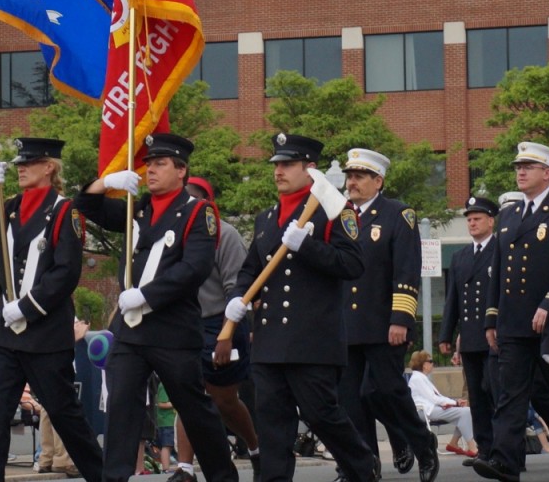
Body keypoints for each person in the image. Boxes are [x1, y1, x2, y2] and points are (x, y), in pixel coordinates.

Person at [74, 132, 236, 482]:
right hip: (131, 331)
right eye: (148, 164)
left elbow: (194, 267)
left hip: (171, 329)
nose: (150, 171)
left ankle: (223, 475)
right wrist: (105, 182)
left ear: (181, 171)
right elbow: (85, 206)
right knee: (121, 407)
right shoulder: (138, 207)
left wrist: (147, 295)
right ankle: (114, 477)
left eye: (160, 164)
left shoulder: (198, 212)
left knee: (193, 408)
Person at [0, 137, 103, 482]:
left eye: (28, 163)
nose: (20, 168)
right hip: (6, 337)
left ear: (49, 167)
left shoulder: (66, 211)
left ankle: (103, 475)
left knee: (65, 415)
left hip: (45, 333)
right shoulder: (12, 206)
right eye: (19, 163)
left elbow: (66, 271)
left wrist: (27, 307)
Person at [225, 133, 373, 482]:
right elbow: (251, 268)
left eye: (288, 164)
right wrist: (237, 296)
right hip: (271, 337)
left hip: (313, 338)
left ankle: (361, 468)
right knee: (273, 423)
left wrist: (307, 246)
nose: (279, 171)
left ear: (310, 168)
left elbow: (353, 264)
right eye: (277, 164)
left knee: (321, 414)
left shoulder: (334, 211)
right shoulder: (266, 219)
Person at [335, 147, 439, 482]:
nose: (352, 182)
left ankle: (423, 444)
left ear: (377, 180)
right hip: (347, 325)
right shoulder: (337, 215)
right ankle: (364, 466)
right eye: (350, 176)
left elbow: (406, 272)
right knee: (350, 399)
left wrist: (401, 319)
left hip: (383, 324)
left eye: (359, 176)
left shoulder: (398, 215)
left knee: (384, 390)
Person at [478, 142, 549, 482]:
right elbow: (498, 269)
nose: (520, 171)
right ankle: (505, 460)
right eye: (518, 166)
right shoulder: (508, 215)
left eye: (529, 166)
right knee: (511, 392)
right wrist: (492, 318)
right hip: (514, 321)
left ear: (547, 173)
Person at [170, 176, 260, 482]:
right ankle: (184, 468)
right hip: (185, 323)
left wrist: (225, 336)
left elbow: (238, 288)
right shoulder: (171, 233)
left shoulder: (226, 235)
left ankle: (255, 447)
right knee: (188, 395)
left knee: (224, 401)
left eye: (195, 200)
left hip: (222, 321)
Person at [437, 196, 498, 466]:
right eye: (469, 219)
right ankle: (485, 450)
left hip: (493, 336)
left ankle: (505, 450)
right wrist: (445, 335)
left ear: (491, 221)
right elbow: (454, 299)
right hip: (471, 338)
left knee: (495, 392)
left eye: (477, 218)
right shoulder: (461, 256)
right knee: (476, 397)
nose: (472, 223)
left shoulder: (500, 250)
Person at [406, 351, 477, 456]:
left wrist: (456, 402)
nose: (432, 364)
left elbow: (438, 397)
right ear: (424, 365)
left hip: (431, 409)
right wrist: (455, 403)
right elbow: (434, 398)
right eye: (430, 361)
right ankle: (472, 447)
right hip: (425, 411)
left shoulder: (421, 378)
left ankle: (454, 443)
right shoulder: (417, 379)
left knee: (464, 411)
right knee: (465, 412)